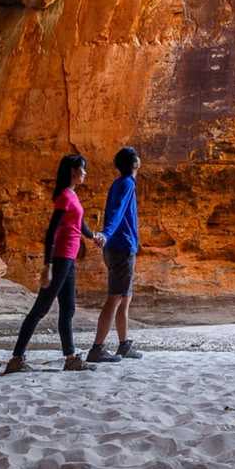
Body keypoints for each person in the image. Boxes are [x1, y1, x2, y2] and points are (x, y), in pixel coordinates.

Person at [3, 153, 105, 375]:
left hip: (69, 259)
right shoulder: (64, 197)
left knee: (68, 308)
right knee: (40, 309)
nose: (85, 173)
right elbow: (51, 233)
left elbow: (80, 224)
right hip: (60, 259)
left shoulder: (72, 195)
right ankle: (16, 359)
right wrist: (47, 265)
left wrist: (93, 236)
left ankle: (71, 359)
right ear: (73, 171)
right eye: (82, 169)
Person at [87, 146, 144, 363]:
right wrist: (107, 233)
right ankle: (97, 348)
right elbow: (117, 212)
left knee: (125, 297)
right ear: (134, 163)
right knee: (115, 298)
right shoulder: (128, 183)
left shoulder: (119, 183)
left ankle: (124, 345)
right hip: (121, 247)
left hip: (118, 246)